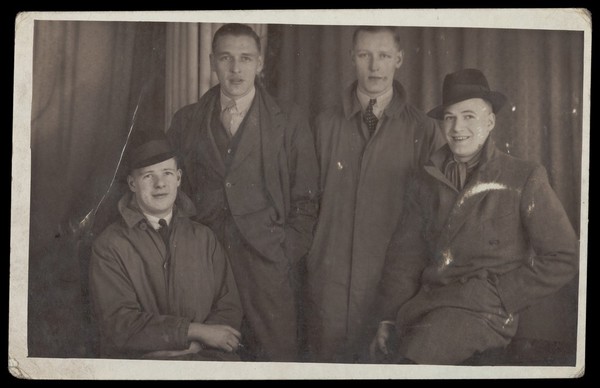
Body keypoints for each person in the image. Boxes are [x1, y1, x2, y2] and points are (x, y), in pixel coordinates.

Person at [370, 68, 579, 365]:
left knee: (415, 362)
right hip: (427, 306)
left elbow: (565, 255)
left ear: (490, 121)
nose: (457, 128)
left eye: (469, 116)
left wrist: (503, 294)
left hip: (485, 312)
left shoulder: (523, 177)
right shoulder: (426, 179)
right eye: (450, 117)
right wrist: (388, 318)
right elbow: (405, 257)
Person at [166, 23, 319, 361]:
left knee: (274, 359)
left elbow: (307, 200)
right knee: (208, 360)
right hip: (206, 267)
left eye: (245, 59)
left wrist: (283, 253)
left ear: (260, 63)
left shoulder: (290, 121)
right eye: (226, 58)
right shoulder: (186, 120)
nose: (236, 69)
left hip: (269, 269)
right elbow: (173, 195)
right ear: (212, 61)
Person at [305, 25, 445, 362]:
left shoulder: (424, 130)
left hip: (391, 290)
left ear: (398, 59)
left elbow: (435, 217)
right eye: (365, 55)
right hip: (329, 287)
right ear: (352, 58)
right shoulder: (323, 124)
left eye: (383, 56)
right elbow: (305, 203)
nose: (374, 66)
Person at [89, 131, 243, 360]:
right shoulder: (110, 246)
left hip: (207, 360)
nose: (160, 184)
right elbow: (120, 323)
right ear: (132, 183)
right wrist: (194, 333)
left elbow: (228, 307)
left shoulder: (205, 238)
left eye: (167, 173)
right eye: (148, 176)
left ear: (179, 178)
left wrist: (196, 348)